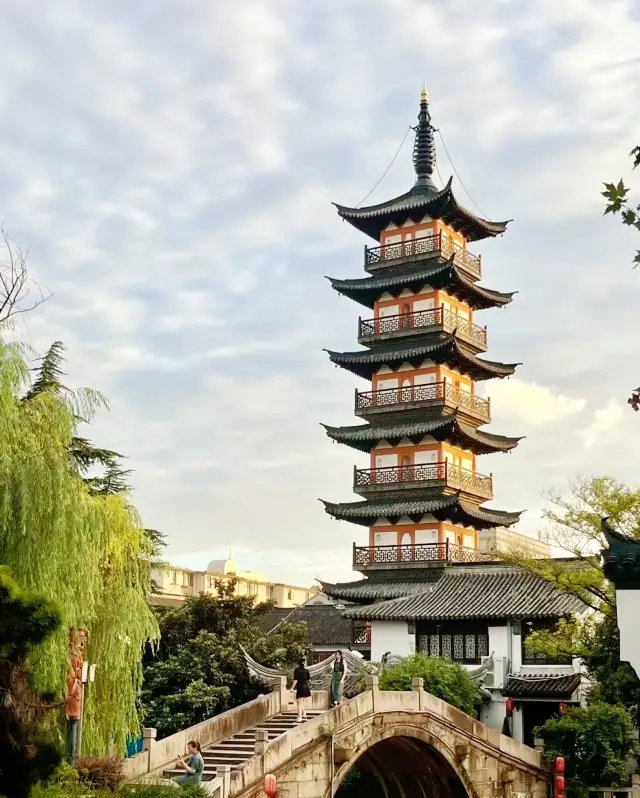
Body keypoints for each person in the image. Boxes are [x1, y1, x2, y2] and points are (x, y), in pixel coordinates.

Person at [291, 658, 311, 723]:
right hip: (306, 687)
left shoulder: (296, 670)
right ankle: (304, 715)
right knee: (301, 702)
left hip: (300, 687)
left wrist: (292, 688)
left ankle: (299, 718)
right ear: (304, 663)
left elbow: (295, 680)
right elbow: (309, 680)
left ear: (298, 663)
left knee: (299, 703)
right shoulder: (306, 670)